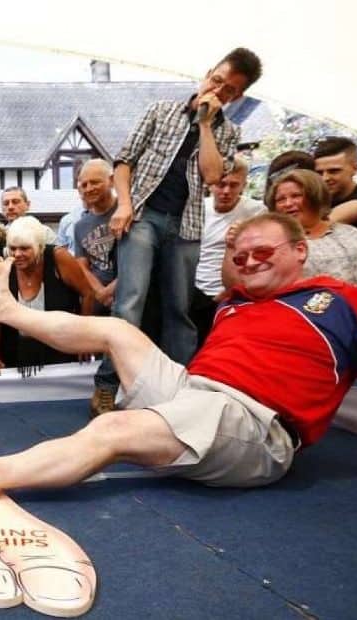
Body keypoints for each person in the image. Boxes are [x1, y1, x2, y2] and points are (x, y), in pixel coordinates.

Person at [0, 212, 357, 491]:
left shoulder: (349, 303)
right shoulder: (233, 303)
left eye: (263, 251)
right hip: (192, 392)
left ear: (300, 250)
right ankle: (6, 310)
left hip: (255, 424)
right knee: (117, 329)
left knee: (114, 426)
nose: (249, 262)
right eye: (240, 256)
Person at [94, 48, 263, 416]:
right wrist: (124, 205)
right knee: (130, 302)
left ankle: (180, 392)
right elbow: (124, 161)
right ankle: (106, 386)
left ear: (237, 96)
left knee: (179, 310)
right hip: (143, 215)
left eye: (230, 90)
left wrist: (206, 124)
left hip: (186, 226)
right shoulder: (161, 111)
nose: (218, 91)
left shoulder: (228, 132)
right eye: (217, 81)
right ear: (207, 73)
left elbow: (213, 175)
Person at [0, 216, 94, 374]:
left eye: (24, 248)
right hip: (17, 352)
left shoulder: (59, 257)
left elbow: (88, 293)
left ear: (39, 247)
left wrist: (84, 339)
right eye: (13, 248)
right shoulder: (5, 264)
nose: (17, 254)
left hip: (61, 348)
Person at [265, 169, 357, 294]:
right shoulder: (275, 245)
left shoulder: (354, 235)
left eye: (296, 196)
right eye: (280, 199)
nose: (288, 203)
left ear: (315, 196)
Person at [191, 155, 265, 346]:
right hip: (192, 291)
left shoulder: (256, 212)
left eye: (233, 185)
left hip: (230, 293)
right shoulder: (198, 208)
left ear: (244, 185)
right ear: (210, 184)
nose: (226, 191)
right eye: (221, 184)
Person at [70, 160, 119, 316]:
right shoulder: (80, 226)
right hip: (98, 303)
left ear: (111, 181)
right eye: (84, 185)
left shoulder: (126, 211)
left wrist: (110, 290)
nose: (89, 188)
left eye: (95, 182)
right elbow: (82, 266)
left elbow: (139, 261)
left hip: (129, 296)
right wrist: (100, 292)